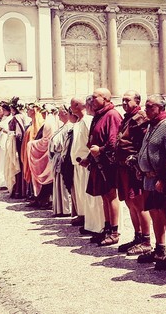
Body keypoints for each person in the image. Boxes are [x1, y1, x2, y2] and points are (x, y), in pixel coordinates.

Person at [136, 94, 166, 270]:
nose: (146, 110)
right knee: (154, 214)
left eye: (150, 107)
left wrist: (163, 178)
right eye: (146, 107)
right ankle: (160, 249)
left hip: (161, 180)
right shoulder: (151, 125)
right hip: (149, 179)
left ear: (161, 108)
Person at [84, 88, 122, 246]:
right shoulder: (99, 114)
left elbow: (114, 142)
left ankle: (114, 231)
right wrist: (89, 158)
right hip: (98, 161)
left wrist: (100, 150)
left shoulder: (112, 115)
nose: (91, 100)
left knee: (111, 195)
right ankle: (106, 228)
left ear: (105, 98)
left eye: (94, 97)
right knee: (104, 196)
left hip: (108, 162)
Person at [115, 90, 151, 256]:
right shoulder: (127, 118)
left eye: (127, 100)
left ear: (137, 101)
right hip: (123, 167)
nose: (124, 103)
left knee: (139, 203)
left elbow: (143, 143)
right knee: (130, 203)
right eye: (122, 100)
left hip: (134, 168)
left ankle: (146, 240)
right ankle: (137, 236)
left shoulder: (140, 118)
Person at [70, 96, 104, 235]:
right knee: (83, 196)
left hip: (87, 163)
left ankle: (96, 225)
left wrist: (88, 158)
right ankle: (88, 222)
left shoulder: (87, 121)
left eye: (72, 105)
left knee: (91, 197)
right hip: (79, 163)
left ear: (78, 105)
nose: (70, 108)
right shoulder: (80, 121)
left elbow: (90, 142)